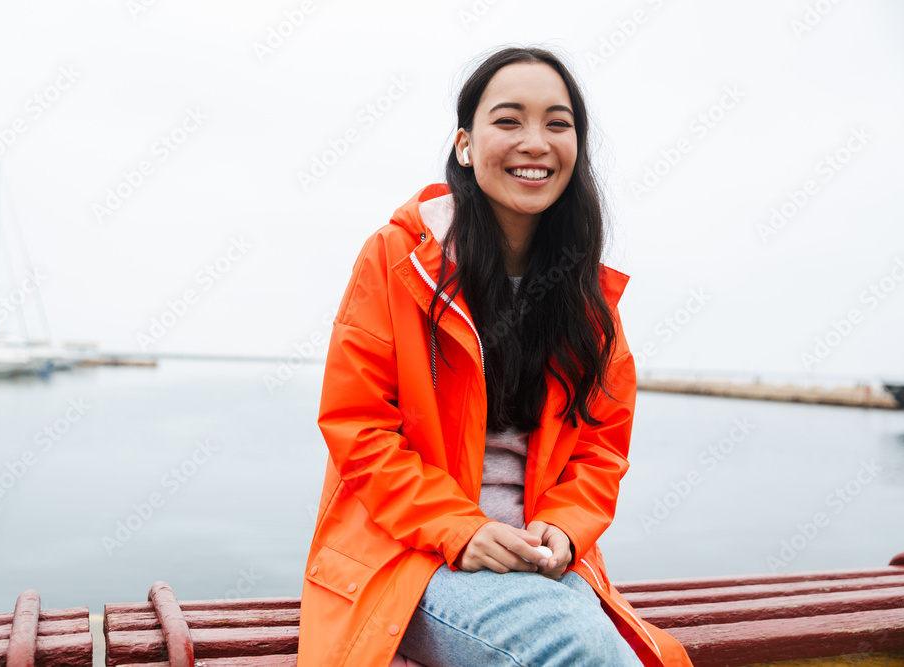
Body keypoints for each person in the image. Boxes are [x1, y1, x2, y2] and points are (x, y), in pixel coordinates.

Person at [297, 45, 693, 667]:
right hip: (407, 559)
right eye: (509, 121)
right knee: (580, 647)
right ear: (463, 144)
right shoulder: (398, 262)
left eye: (557, 124)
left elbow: (600, 448)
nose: (535, 141)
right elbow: (358, 427)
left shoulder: (586, 297)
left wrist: (564, 528)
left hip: (539, 560)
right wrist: (463, 530)